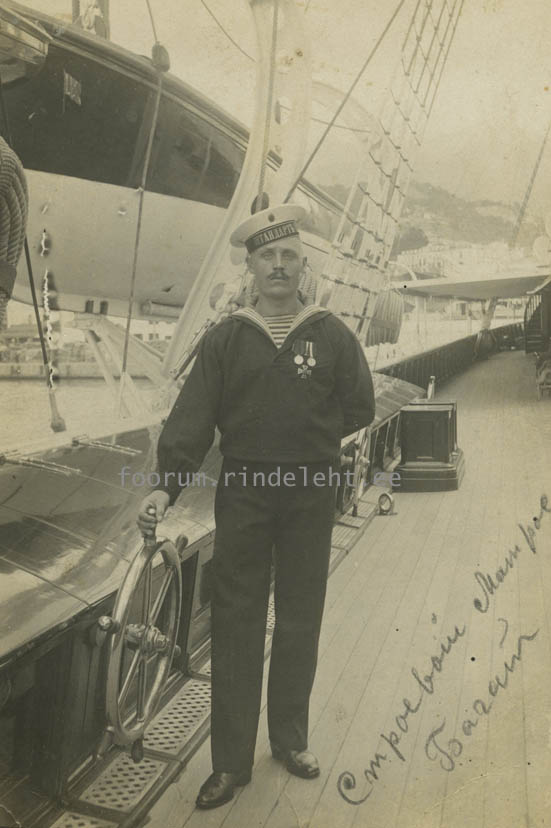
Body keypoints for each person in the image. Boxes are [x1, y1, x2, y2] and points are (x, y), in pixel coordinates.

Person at [137, 203, 376, 810]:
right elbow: (192, 420)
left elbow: (360, 405)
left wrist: (307, 443)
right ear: (251, 267)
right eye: (267, 256)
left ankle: (290, 741)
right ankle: (229, 764)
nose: (278, 265)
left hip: (309, 492)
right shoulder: (227, 338)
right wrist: (165, 486)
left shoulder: (330, 334)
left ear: (302, 266)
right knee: (236, 620)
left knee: (300, 616)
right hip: (244, 490)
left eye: (288, 255)